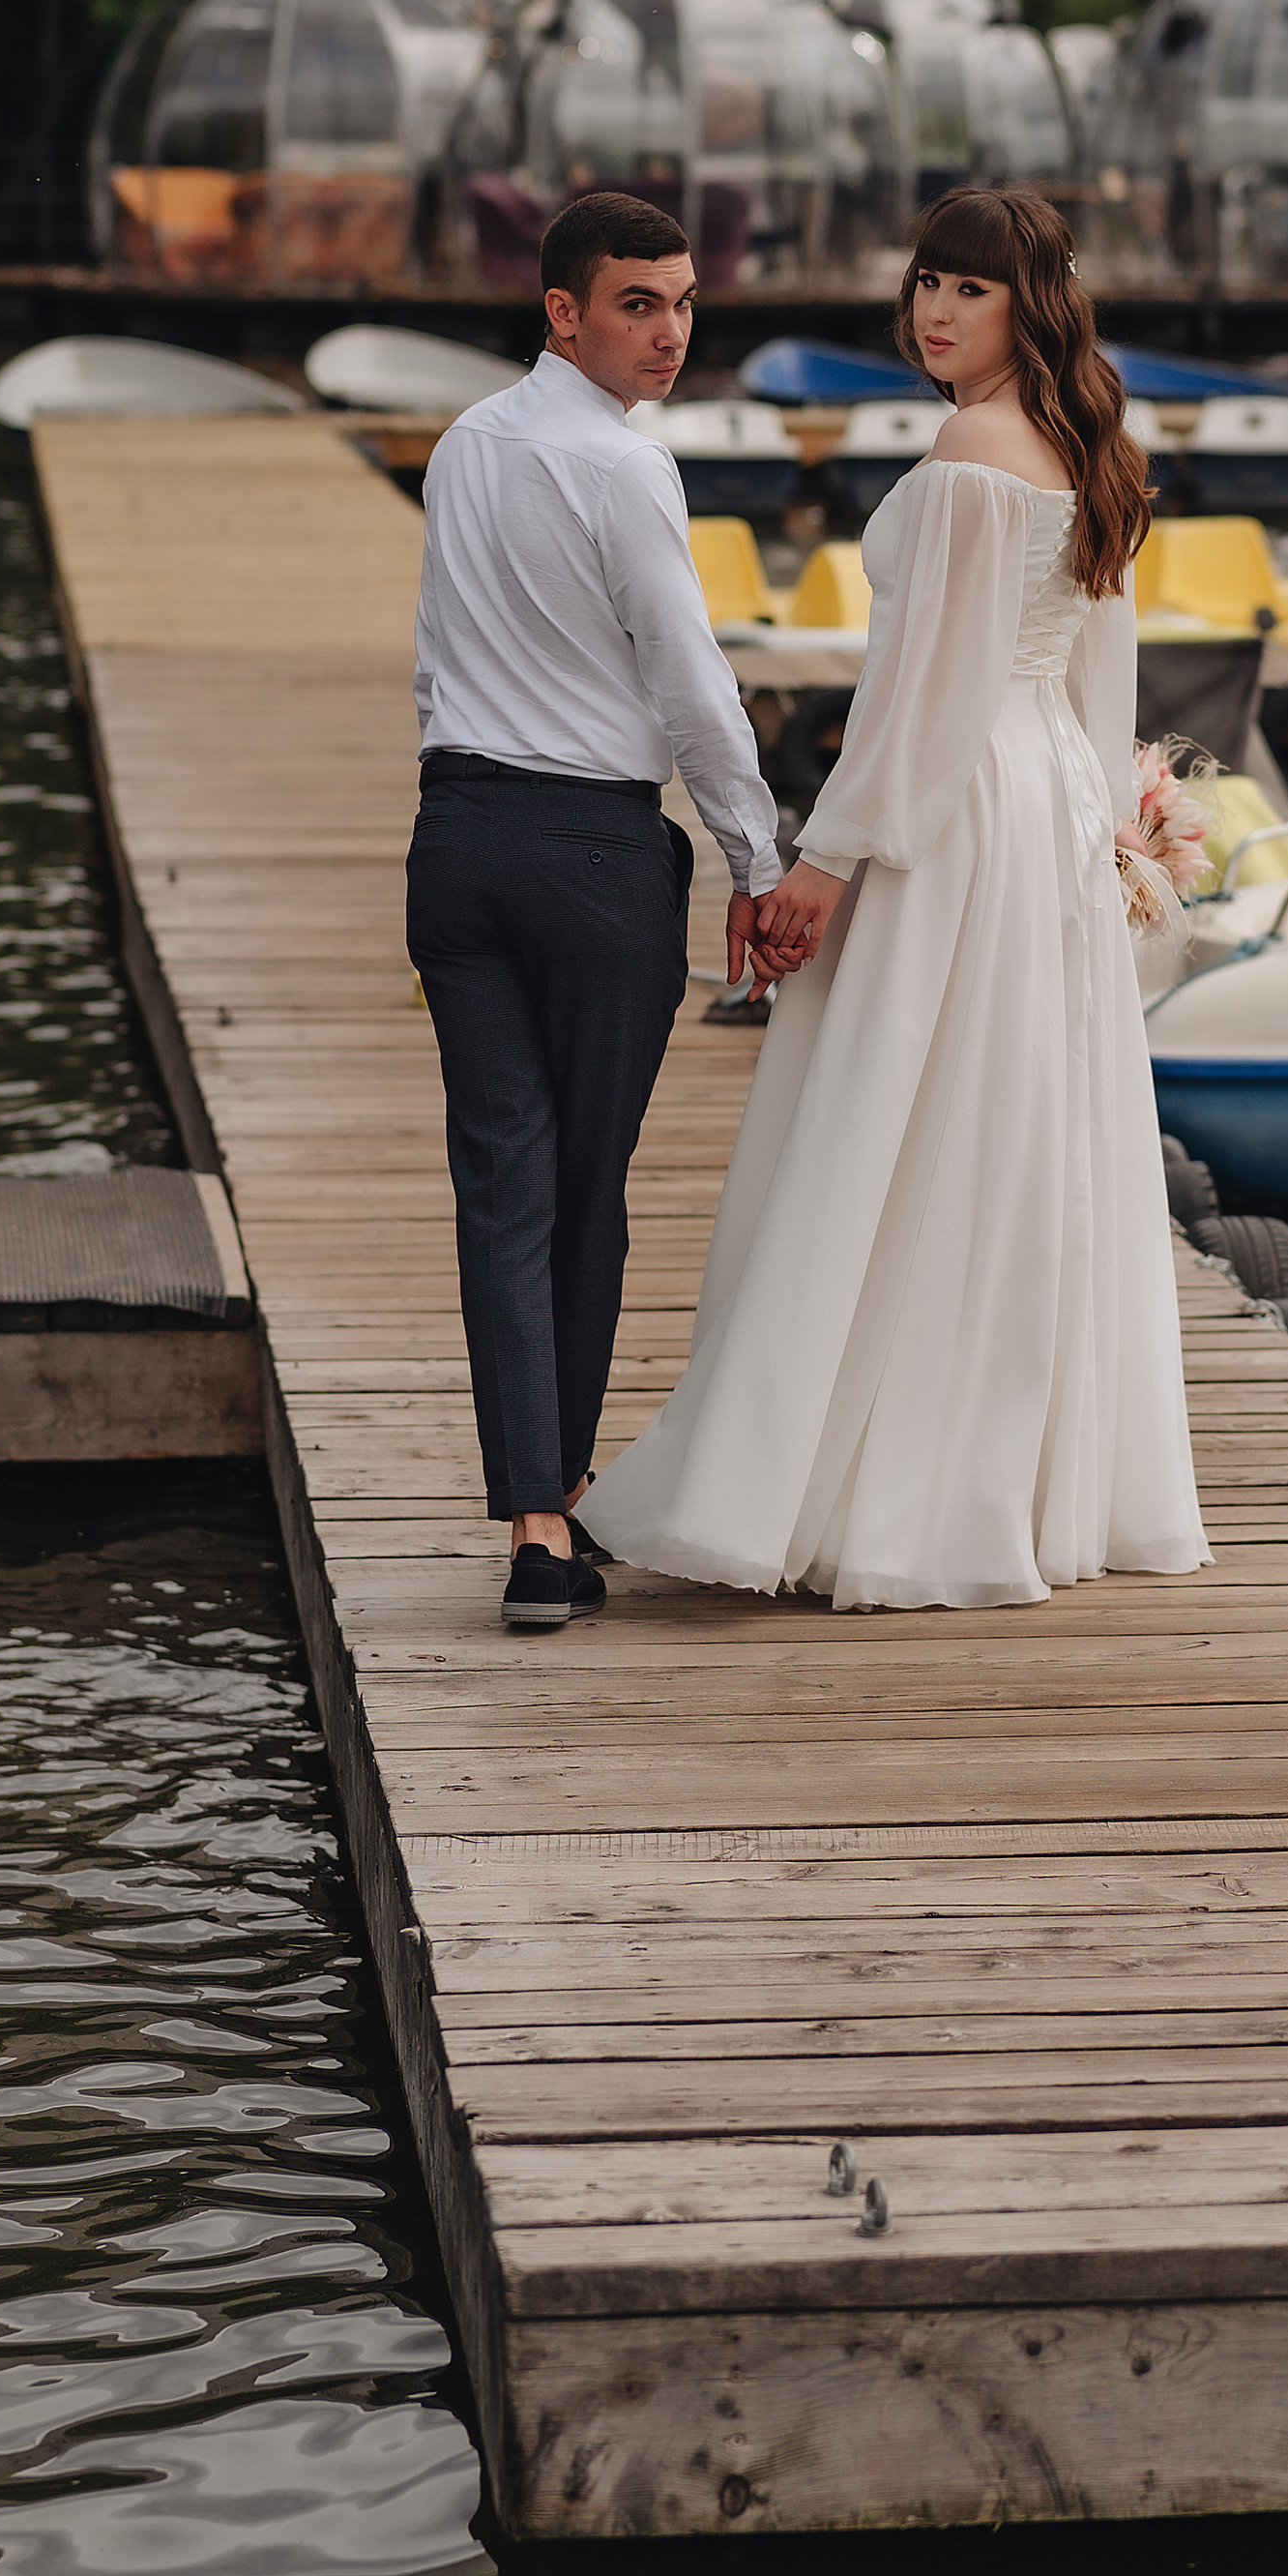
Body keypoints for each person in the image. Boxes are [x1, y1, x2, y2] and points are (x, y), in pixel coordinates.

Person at [581, 183, 1210, 1611]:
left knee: (897, 1110)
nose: (935, 309)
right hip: (1043, 791)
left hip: (964, 802)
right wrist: (1115, 818)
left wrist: (823, 857)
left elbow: (920, 696)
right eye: (927, 280)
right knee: (1013, 1119)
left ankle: (875, 1481)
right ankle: (1016, 1479)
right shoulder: (1088, 442)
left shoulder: (975, 444)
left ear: (1027, 301)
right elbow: (1098, 666)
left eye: (970, 289)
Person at [406, 189, 789, 1635]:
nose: (672, 330)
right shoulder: (628, 468)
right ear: (561, 309)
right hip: (588, 852)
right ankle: (549, 1502)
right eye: (640, 301)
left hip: (457, 840)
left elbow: (441, 652)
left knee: (506, 1181)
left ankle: (535, 1521)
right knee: (583, 1191)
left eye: (686, 301)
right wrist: (756, 854)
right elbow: (691, 683)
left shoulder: (462, 443)